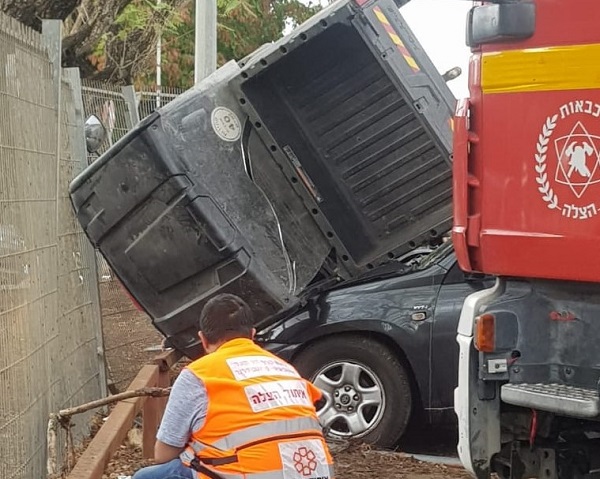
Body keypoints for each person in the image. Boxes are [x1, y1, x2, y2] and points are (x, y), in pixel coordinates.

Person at [133, 293, 334, 479]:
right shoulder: (286, 370)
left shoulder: (199, 374)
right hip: (314, 471)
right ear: (252, 335)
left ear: (203, 339)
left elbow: (163, 454)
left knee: (147, 476)